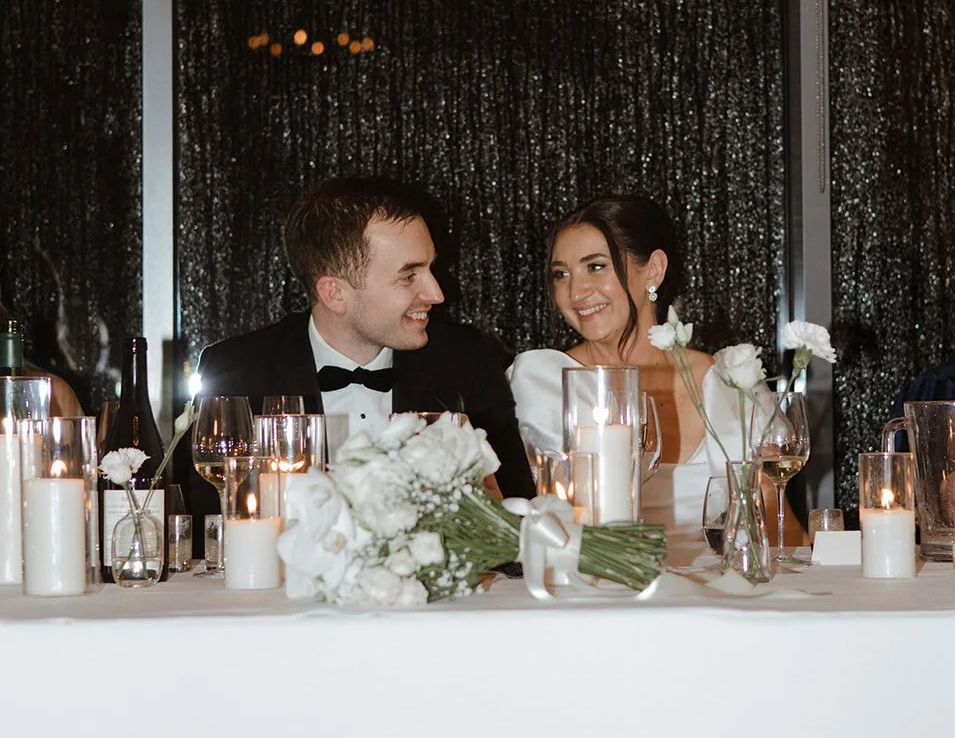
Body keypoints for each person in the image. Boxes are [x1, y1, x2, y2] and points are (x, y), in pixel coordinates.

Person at [195, 176, 535, 500]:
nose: (435, 293)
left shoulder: (467, 361)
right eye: (408, 276)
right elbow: (203, 525)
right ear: (335, 293)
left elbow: (513, 510)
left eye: (431, 268)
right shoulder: (236, 372)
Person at [508, 193, 746, 536]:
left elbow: (774, 523)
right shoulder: (541, 381)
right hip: (594, 580)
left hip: (717, 584)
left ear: (653, 270)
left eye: (596, 267)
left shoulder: (720, 380)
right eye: (561, 274)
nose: (576, 292)